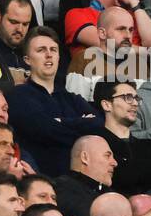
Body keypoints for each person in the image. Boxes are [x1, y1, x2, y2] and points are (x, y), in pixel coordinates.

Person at [7, 27, 104, 176]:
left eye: (53, 50)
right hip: (43, 178)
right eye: (41, 50)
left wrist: (61, 122)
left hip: (79, 180)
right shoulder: (19, 95)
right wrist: (80, 124)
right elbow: (45, 130)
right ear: (27, 60)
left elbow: (98, 125)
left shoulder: (72, 98)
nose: (48, 55)